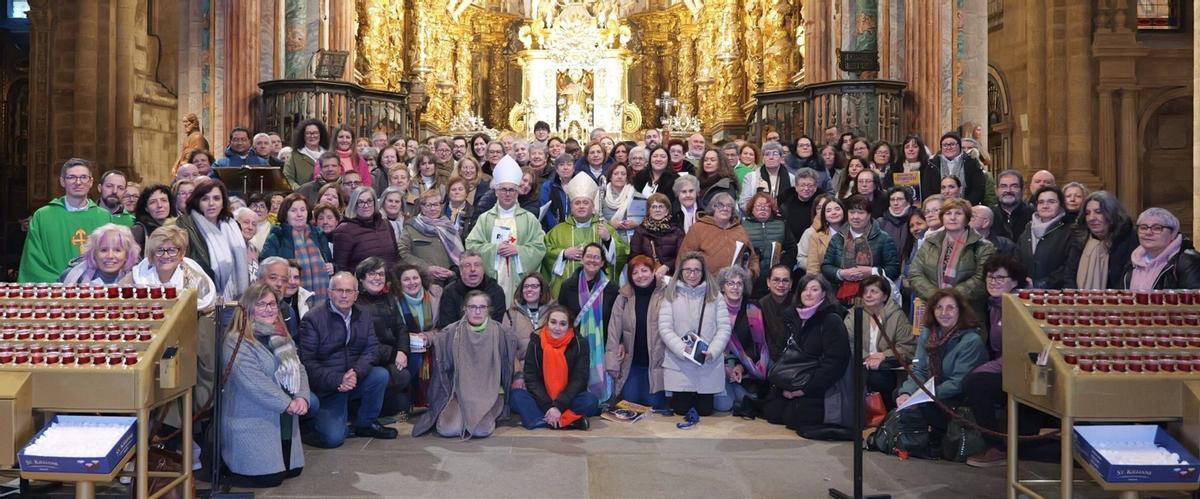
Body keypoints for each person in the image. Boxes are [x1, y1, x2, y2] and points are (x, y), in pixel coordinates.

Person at [219, 281, 309, 488]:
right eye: (261, 304)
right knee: (269, 478)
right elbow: (254, 383)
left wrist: (302, 397)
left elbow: (299, 368)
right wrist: (287, 404)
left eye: (272, 304)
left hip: (286, 417)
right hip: (253, 420)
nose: (269, 309)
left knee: (294, 471)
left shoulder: (281, 334)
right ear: (248, 308)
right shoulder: (236, 340)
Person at [297, 272, 397, 448]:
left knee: (380, 375)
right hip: (326, 387)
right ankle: (308, 426)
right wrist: (339, 379)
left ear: (356, 295)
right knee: (333, 439)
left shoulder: (364, 314)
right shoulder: (313, 318)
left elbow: (372, 349)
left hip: (353, 379)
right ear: (329, 292)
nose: (344, 295)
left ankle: (366, 424)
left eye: (349, 291)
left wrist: (356, 373)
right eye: (339, 290)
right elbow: (308, 363)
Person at [961, 255, 1041, 468]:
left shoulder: (1020, 305)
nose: (993, 282)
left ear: (1014, 281)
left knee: (975, 383)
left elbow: (1019, 352)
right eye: (989, 277)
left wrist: (983, 369)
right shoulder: (995, 304)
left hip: (1026, 374)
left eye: (1000, 278)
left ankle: (995, 446)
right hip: (1007, 370)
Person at [412, 291, 519, 439]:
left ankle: (495, 406)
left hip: (489, 393)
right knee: (447, 429)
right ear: (465, 309)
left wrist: (518, 377)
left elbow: (511, 361)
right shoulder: (452, 332)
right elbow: (438, 338)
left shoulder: (501, 333)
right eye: (472, 307)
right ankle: (460, 412)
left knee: (481, 431)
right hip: (458, 393)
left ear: (488, 309)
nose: (477, 311)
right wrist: (426, 338)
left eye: (482, 307)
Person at [894, 289, 989, 448]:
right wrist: (907, 393)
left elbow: (958, 383)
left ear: (960, 311)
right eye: (939, 307)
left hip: (957, 398)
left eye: (950, 308)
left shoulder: (971, 341)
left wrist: (923, 396)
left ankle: (937, 440)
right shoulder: (927, 333)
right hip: (932, 391)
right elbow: (919, 370)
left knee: (923, 406)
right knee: (899, 394)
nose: (944, 313)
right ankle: (919, 440)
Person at [762, 274, 852, 432]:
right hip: (792, 379)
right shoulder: (791, 317)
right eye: (804, 289)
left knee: (795, 418)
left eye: (814, 289)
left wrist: (803, 390)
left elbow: (835, 364)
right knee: (772, 412)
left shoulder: (831, 320)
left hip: (819, 386)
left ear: (823, 294)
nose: (808, 293)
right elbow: (783, 353)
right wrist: (786, 385)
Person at [465, 156, 548, 305]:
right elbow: (471, 245)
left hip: (518, 280)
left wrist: (518, 251)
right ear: (496, 192)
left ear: (517, 192)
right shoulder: (485, 218)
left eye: (512, 190)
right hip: (492, 280)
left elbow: (539, 247)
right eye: (503, 189)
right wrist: (495, 249)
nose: (508, 194)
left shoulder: (529, 219)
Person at [658, 253, 731, 419]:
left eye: (697, 270)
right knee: (681, 410)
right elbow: (665, 328)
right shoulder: (671, 295)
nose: (692, 274)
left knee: (705, 411)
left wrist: (713, 351)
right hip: (680, 363)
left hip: (707, 363)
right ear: (681, 271)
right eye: (688, 270)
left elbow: (724, 328)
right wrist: (683, 349)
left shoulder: (715, 296)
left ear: (703, 272)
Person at [19, 158, 116, 283]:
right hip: (54, 289)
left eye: (83, 177)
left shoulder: (104, 217)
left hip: (93, 289)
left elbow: (113, 257)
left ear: (91, 182)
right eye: (71, 177)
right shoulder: (43, 216)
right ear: (62, 181)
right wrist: (61, 284)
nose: (78, 182)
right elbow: (33, 260)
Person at [509, 305, 599, 430]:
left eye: (562, 324)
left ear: (569, 326)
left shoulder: (580, 343)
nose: (557, 328)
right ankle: (568, 421)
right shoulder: (535, 342)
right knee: (516, 396)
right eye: (553, 322)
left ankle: (539, 420)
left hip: (567, 399)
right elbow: (531, 379)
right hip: (542, 399)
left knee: (591, 401)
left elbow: (579, 379)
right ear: (547, 323)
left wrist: (558, 406)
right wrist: (549, 407)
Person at [543, 175, 629, 297]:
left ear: (592, 206)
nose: (581, 206)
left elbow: (622, 255)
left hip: (599, 294)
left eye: (585, 202)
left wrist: (608, 240)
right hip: (568, 293)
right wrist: (563, 253)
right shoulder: (557, 231)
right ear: (571, 207)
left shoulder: (605, 229)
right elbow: (545, 253)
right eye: (577, 203)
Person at [557, 243, 620, 401]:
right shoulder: (567, 286)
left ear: (602, 262)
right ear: (582, 259)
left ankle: (599, 402)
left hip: (602, 345)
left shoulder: (612, 288)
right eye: (589, 256)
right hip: (574, 346)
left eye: (596, 257)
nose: (592, 260)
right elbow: (562, 317)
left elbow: (617, 320)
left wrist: (620, 342)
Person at [908, 198, 995, 310]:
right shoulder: (929, 242)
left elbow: (981, 279)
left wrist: (950, 298)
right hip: (933, 308)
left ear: (967, 218)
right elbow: (915, 273)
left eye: (958, 213)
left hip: (968, 311)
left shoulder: (983, 246)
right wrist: (936, 296)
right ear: (942, 218)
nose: (952, 217)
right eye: (948, 213)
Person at [175, 179, 250, 309]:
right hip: (202, 299)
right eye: (205, 199)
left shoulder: (232, 225)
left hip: (234, 300)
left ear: (223, 202)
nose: (211, 203)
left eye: (216, 198)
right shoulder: (186, 226)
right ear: (197, 201)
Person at [606, 256, 668, 409]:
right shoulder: (623, 297)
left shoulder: (666, 294)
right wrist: (612, 362)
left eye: (644, 270)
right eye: (635, 273)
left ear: (653, 271)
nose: (640, 276)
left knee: (655, 406)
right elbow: (614, 330)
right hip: (632, 364)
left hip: (658, 364)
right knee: (628, 404)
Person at [843, 276, 914, 410]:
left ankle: (884, 414)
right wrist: (866, 357)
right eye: (865, 292)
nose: (868, 295)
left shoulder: (897, 316)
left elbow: (907, 347)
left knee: (878, 378)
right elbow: (847, 342)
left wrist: (884, 356)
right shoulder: (854, 314)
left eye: (874, 291)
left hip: (886, 368)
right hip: (859, 364)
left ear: (885, 296)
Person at [355, 259, 414, 418]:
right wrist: (394, 355)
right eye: (372, 274)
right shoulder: (356, 302)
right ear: (361, 278)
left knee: (403, 403)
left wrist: (402, 350)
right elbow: (364, 341)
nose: (377, 278)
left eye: (381, 274)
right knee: (401, 376)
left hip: (389, 355)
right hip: (368, 358)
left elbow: (401, 327)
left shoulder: (389, 298)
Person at [820, 194, 900, 305]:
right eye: (852, 212)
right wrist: (841, 273)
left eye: (861, 213)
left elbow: (894, 269)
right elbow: (826, 266)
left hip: (875, 298)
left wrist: (872, 272)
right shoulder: (838, 238)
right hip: (842, 298)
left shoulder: (883, 238)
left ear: (869, 215)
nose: (855, 217)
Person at [713, 266, 770, 413]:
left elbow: (756, 345)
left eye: (739, 283)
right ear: (723, 287)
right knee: (724, 405)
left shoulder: (753, 308)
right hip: (717, 364)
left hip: (743, 365)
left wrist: (741, 367)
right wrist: (723, 368)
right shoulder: (713, 308)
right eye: (730, 283)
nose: (735, 287)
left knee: (749, 399)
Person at [125, 225, 216, 311]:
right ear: (152, 254)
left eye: (172, 250)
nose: (166, 255)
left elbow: (208, 313)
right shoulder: (137, 275)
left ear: (182, 254)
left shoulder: (196, 280)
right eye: (159, 250)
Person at [261, 194, 334, 299]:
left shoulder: (318, 234)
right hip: (289, 299)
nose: (299, 214)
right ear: (285, 214)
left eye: (303, 210)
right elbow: (265, 269)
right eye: (294, 210)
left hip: (323, 298)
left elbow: (331, 262)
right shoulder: (277, 236)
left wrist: (333, 267)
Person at [1063, 191, 1137, 289]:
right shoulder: (1080, 239)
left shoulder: (1128, 239)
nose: (1091, 218)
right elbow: (1069, 276)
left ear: (1112, 213)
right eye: (1087, 213)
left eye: (1098, 212)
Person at [677, 192, 759, 280]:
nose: (725, 208)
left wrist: (751, 273)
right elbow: (683, 257)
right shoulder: (698, 228)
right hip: (705, 284)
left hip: (734, 285)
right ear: (713, 207)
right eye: (720, 205)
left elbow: (753, 257)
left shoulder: (740, 230)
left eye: (729, 206)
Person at [1121, 207, 1200, 290]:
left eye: (1157, 228)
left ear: (1173, 233)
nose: (1148, 232)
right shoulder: (1132, 260)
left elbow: (1193, 296)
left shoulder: (1188, 261)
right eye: (1143, 228)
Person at [398, 189, 463, 287]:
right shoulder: (411, 227)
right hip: (423, 282)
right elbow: (402, 252)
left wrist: (453, 273)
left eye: (436, 204)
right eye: (428, 205)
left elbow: (459, 256)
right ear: (422, 207)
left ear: (441, 206)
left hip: (450, 283)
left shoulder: (449, 227)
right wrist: (425, 268)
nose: (433, 208)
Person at [331, 186, 399, 271]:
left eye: (369, 201)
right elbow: (340, 268)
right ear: (354, 204)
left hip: (390, 278)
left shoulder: (386, 224)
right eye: (360, 202)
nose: (366, 205)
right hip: (361, 279)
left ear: (375, 202)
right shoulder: (344, 230)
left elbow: (396, 257)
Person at [1017, 186, 1071, 289]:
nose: (1045, 206)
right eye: (1041, 202)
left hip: (1056, 293)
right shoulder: (1027, 229)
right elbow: (1017, 259)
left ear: (1061, 205)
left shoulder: (1069, 232)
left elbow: (1069, 267)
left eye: (1051, 202)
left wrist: (1040, 284)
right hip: (1026, 291)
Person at [436, 251, 508, 327]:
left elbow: (497, 324)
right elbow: (447, 326)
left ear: (483, 269)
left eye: (477, 265)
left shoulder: (496, 290)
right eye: (467, 266)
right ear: (461, 270)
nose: (473, 269)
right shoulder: (449, 292)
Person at [744, 193, 795, 298]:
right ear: (752, 209)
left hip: (777, 278)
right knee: (753, 306)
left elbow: (792, 248)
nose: (763, 208)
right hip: (752, 277)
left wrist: (784, 266)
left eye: (766, 206)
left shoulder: (782, 224)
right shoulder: (743, 226)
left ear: (771, 209)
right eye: (759, 205)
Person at [503, 273, 553, 374]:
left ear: (542, 290)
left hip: (550, 369)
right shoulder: (510, 314)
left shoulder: (554, 313)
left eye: (534, 286)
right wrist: (518, 374)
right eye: (526, 286)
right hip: (522, 372)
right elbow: (506, 348)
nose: (529, 289)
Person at [58, 223, 140, 284]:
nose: (110, 256)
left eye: (117, 250)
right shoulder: (73, 277)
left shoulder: (138, 278)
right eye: (103, 250)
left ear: (127, 255)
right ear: (94, 254)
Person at [922, 132, 987, 206]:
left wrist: (966, 206)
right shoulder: (932, 164)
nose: (949, 147)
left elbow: (978, 188)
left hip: (966, 207)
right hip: (939, 208)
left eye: (952, 144)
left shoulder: (972, 163)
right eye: (945, 145)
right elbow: (927, 189)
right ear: (941, 147)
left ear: (959, 146)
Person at [629, 193, 684, 278]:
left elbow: (682, 255)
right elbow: (634, 257)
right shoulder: (640, 231)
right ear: (649, 211)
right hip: (647, 277)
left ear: (667, 211)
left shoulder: (677, 231)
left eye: (661, 207)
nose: (657, 210)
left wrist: (667, 266)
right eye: (654, 207)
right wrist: (647, 269)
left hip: (672, 276)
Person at [738, 142, 794, 209]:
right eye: (767, 154)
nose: (771, 157)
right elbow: (743, 202)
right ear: (763, 159)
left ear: (781, 158)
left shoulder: (791, 178)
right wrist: (758, 211)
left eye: (775, 154)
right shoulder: (751, 177)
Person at [596, 163, 642, 241]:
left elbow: (644, 220)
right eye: (616, 174)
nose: (619, 176)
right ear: (610, 177)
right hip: (607, 238)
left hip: (631, 239)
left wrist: (636, 223)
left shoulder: (637, 196)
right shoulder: (602, 194)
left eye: (623, 174)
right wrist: (610, 223)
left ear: (627, 177)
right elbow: (594, 217)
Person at [802, 196, 844, 276]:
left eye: (837, 209)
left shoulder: (853, 232)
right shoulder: (816, 237)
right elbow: (813, 267)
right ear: (824, 215)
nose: (833, 213)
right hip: (824, 280)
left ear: (844, 211)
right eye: (828, 211)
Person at [282, 119, 330, 190]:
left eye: (315, 133)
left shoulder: (329, 154)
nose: (312, 136)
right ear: (303, 136)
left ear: (321, 134)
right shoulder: (294, 157)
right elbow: (287, 178)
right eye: (308, 133)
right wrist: (301, 190)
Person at [130, 183, 176, 254]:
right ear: (146, 208)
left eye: (163, 200)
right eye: (153, 202)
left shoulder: (179, 227)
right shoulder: (138, 231)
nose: (159, 205)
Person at [990, 169, 1032, 242]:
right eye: (1003, 186)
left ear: (1023, 190)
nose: (1008, 190)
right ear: (996, 190)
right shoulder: (988, 215)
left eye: (1014, 186)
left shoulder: (1033, 215)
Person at [539, 153, 575, 232]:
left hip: (576, 229)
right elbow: (546, 210)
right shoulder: (548, 186)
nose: (565, 168)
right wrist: (557, 228)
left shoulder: (580, 185)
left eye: (569, 164)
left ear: (574, 168)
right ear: (556, 169)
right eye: (561, 165)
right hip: (554, 230)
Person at [235, 207, 263, 280]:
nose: (250, 227)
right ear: (235, 224)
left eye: (254, 224)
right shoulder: (229, 248)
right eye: (246, 222)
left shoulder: (255, 250)